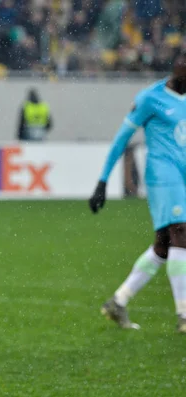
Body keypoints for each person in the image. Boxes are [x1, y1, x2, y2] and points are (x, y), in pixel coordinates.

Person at [89, 53, 186, 333]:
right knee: (181, 232)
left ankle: (118, 301)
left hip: (182, 177)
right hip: (162, 176)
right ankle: (183, 315)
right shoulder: (150, 98)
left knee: (163, 246)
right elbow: (122, 139)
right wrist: (102, 181)